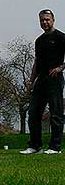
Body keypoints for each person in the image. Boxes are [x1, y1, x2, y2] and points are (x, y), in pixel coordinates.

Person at [20, 9, 65, 155]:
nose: (45, 22)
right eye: (42, 20)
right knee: (33, 113)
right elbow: (37, 62)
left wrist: (60, 67)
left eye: (47, 19)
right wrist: (31, 81)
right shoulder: (39, 41)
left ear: (53, 20)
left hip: (55, 79)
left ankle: (55, 147)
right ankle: (35, 146)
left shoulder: (61, 37)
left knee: (55, 114)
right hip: (41, 80)